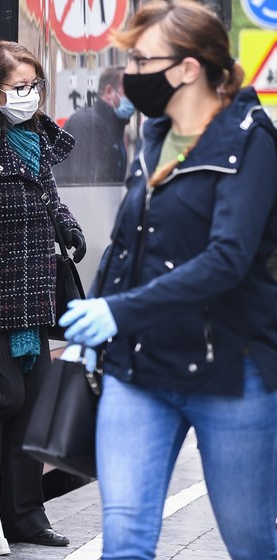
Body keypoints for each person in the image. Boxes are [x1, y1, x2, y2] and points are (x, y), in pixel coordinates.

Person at [59, 2, 277, 559]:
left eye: (140, 59)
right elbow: (131, 246)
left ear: (186, 68)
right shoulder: (154, 135)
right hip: (140, 368)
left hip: (229, 370)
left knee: (251, 542)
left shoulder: (250, 139)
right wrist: (100, 318)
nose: (130, 72)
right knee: (125, 543)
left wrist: (118, 312)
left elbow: (227, 259)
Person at [0, 40, 85, 548]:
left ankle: (28, 515)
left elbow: (49, 199)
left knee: (33, 409)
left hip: (33, 291)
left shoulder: (33, 138)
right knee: (0, 394)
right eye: (18, 87)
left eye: (34, 86)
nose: (29, 96)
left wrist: (67, 226)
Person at [54, 67, 133, 184]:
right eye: (128, 91)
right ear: (109, 91)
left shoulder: (112, 124)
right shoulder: (89, 124)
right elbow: (87, 183)